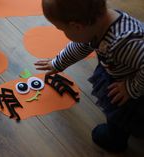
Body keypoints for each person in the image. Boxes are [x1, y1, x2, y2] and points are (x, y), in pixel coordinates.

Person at [35, 0, 144, 152]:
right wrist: (58, 63)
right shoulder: (96, 26)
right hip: (120, 70)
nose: (63, 33)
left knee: (122, 113)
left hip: (135, 86)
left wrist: (130, 88)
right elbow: (81, 45)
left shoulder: (123, 42)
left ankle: (115, 139)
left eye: (61, 29)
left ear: (77, 27)